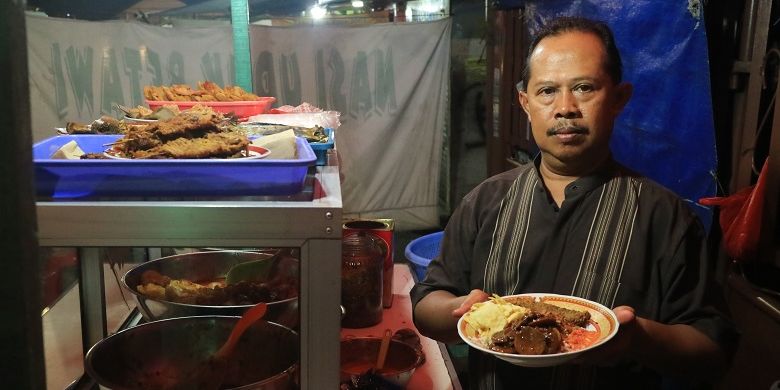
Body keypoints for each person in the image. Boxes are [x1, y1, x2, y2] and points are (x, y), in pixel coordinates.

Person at [410, 16, 736, 389]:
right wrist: (466, 312)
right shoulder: (486, 202)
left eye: (584, 88)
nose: (565, 107)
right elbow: (427, 302)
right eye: (547, 90)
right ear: (525, 102)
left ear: (618, 98)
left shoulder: (663, 215)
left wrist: (638, 338)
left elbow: (713, 351)